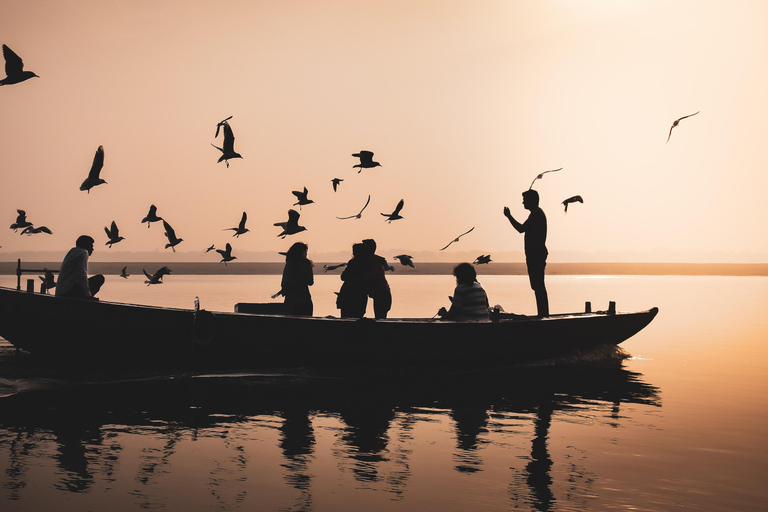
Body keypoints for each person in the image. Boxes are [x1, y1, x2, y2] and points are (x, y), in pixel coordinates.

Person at [504, 189, 549, 316]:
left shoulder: (536, 215)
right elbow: (522, 229)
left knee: (538, 286)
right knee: (537, 286)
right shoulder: (535, 214)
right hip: (535, 255)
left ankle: (543, 315)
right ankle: (543, 314)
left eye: (524, 200)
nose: (523, 202)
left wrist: (509, 216)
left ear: (531, 201)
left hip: (536, 256)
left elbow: (520, 229)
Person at [55, 235, 105, 300]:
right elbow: (82, 274)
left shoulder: (72, 252)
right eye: (91, 246)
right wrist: (88, 295)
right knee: (100, 278)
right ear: (86, 246)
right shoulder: (83, 252)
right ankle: (85, 299)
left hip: (61, 292)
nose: (93, 249)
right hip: (68, 293)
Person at [274, 242, 314, 315]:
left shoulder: (290, 264)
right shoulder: (304, 264)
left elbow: (285, 282)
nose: (306, 254)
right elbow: (310, 281)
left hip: (293, 298)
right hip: (302, 298)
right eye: (305, 252)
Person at [362, 238, 393, 319]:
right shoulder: (380, 260)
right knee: (381, 317)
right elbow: (385, 268)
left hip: (380, 292)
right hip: (383, 292)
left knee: (380, 317)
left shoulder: (368, 260)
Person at [337, 243, 370, 318]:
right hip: (361, 295)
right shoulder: (368, 264)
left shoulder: (353, 263)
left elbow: (343, 277)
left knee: (346, 318)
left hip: (349, 294)